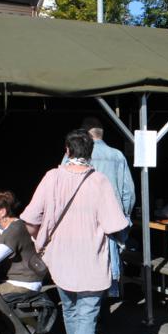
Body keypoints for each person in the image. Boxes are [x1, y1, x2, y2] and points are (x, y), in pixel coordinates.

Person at [21, 129, 128, 334]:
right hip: (91, 261)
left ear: (67, 150)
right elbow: (115, 225)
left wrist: (39, 239)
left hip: (59, 261)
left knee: (70, 310)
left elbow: (31, 219)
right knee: (86, 317)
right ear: (90, 153)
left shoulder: (51, 177)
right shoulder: (99, 181)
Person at [65, 117, 135, 299]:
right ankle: (102, 303)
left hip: (79, 222)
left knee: (82, 268)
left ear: (84, 134)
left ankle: (86, 302)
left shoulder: (72, 155)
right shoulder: (117, 155)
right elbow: (128, 192)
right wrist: (124, 216)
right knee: (106, 267)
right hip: (110, 223)